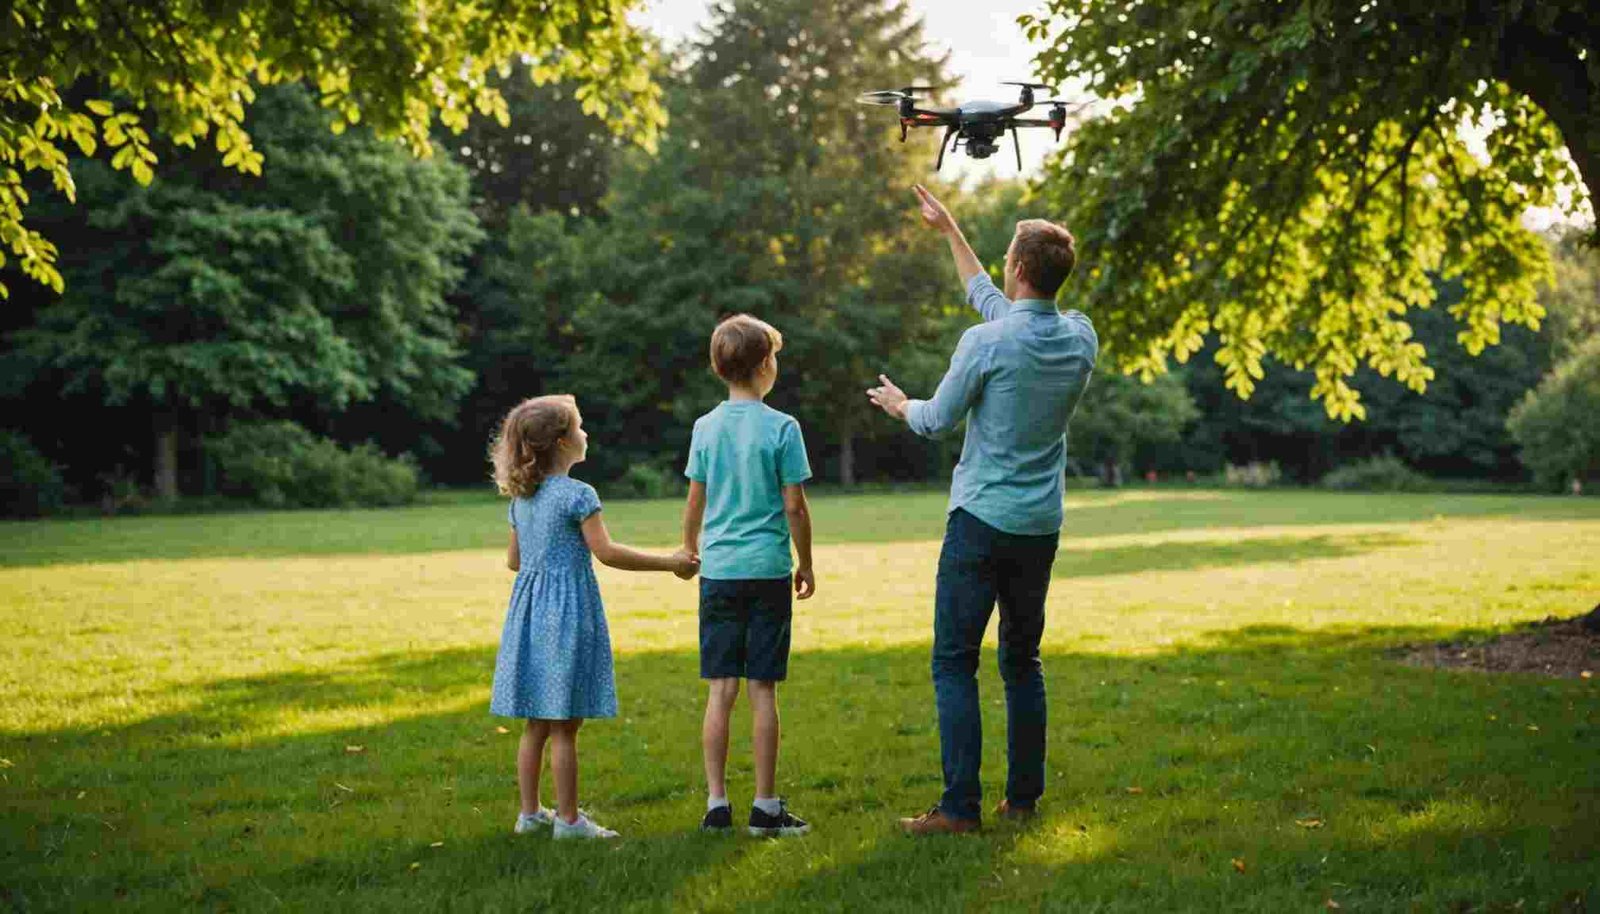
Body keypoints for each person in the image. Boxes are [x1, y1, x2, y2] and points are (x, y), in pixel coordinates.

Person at [867, 185, 1097, 834]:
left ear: (1020, 269)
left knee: (953, 663)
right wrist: (951, 231)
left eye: (1004, 258)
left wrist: (898, 405)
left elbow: (935, 421)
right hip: (1040, 527)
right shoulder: (1080, 338)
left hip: (978, 524)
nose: (998, 266)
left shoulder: (983, 345)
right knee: (1022, 661)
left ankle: (958, 809)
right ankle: (1022, 800)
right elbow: (1002, 308)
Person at [489, 394, 698, 840]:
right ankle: (568, 821)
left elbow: (514, 560)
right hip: (567, 613)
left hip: (528, 613)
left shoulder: (522, 496)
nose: (587, 434)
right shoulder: (579, 494)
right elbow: (605, 552)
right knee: (565, 725)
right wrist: (671, 562)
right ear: (563, 441)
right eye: (580, 428)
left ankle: (529, 815)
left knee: (536, 723)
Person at [682, 314, 816, 837]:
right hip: (766, 574)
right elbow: (796, 508)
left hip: (719, 573)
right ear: (765, 367)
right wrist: (805, 562)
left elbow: (696, 500)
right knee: (763, 690)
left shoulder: (705, 428)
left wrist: (689, 549)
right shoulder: (783, 428)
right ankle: (765, 807)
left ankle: (717, 804)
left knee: (720, 691)